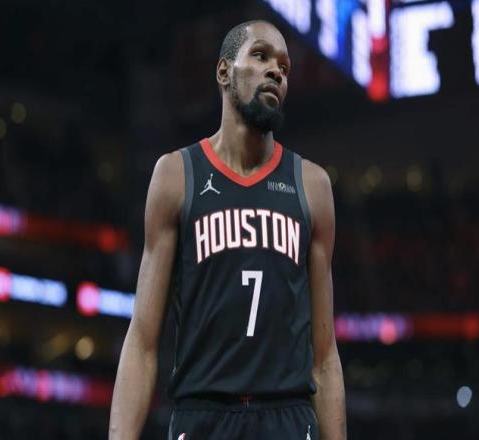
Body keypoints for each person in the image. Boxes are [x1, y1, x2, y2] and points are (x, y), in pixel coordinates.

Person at [109, 19, 347, 440]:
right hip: (203, 415)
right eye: (261, 55)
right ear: (224, 72)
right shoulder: (175, 175)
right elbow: (143, 340)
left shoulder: (312, 185)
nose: (276, 71)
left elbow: (325, 357)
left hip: (287, 418)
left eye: (284, 67)